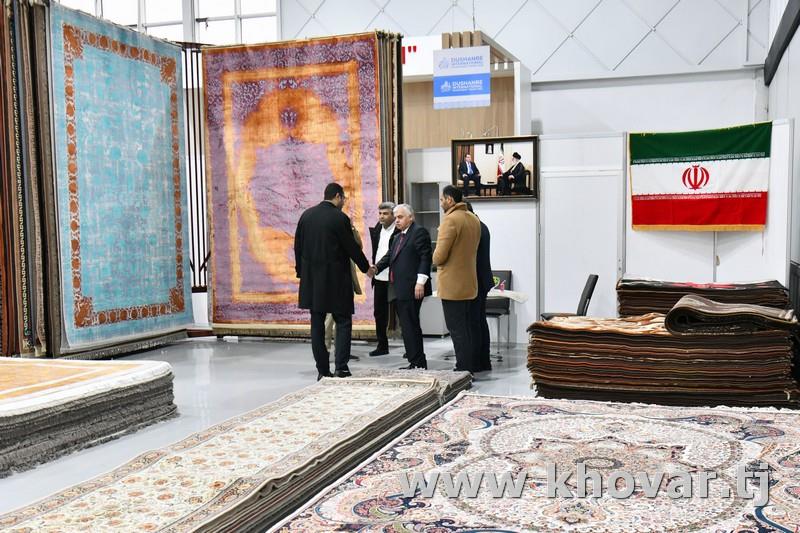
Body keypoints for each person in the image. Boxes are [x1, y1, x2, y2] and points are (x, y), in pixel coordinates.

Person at [294, 183, 371, 380]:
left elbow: (298, 247)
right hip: (337, 281)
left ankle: (322, 370)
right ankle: (341, 368)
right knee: (343, 322)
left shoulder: (306, 216)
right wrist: (366, 268)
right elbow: (351, 247)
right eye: (343, 198)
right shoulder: (339, 218)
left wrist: (301, 273)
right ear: (338, 196)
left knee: (317, 325)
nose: (344, 202)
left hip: (312, 282)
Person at [373, 204, 432, 369]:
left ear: (411, 217)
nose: (397, 220)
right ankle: (414, 360)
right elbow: (389, 256)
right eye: (396, 217)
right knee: (407, 326)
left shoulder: (419, 232)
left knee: (410, 326)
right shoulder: (399, 236)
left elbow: (425, 258)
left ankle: (418, 362)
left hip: (412, 287)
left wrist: (421, 282)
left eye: (400, 217)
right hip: (399, 288)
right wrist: (376, 268)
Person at [432, 186, 481, 373]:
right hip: (469, 282)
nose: (441, 203)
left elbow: (439, 257)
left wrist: (433, 257)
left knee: (456, 330)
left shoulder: (450, 220)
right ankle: (470, 366)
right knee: (467, 328)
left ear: (450, 200)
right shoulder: (473, 219)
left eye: (442, 199)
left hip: (453, 285)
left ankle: (463, 369)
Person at [325, 225, 365, 361]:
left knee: (341, 320)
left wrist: (352, 229)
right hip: (331, 280)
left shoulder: (347, 228)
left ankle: (341, 351)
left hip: (345, 280)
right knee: (329, 319)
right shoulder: (326, 230)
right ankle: (325, 351)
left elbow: (358, 246)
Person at [368, 202, 399, 356]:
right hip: (379, 276)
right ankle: (382, 345)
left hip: (395, 277)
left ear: (393, 215)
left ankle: (411, 348)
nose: (381, 217)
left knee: (403, 313)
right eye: (380, 213)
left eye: (385, 214)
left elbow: (392, 254)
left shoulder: (399, 229)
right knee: (379, 313)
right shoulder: (377, 228)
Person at [466, 202, 493, 372]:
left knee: (474, 322)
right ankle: (483, 360)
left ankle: (477, 361)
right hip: (481, 279)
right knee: (479, 321)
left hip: (476, 280)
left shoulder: (475, 227)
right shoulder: (481, 225)